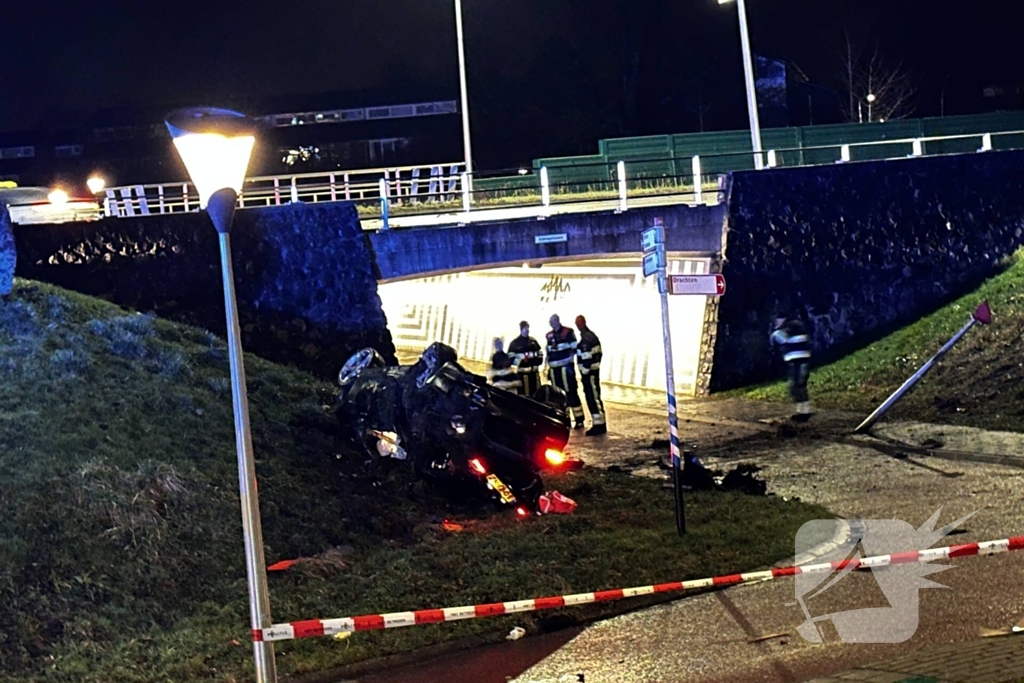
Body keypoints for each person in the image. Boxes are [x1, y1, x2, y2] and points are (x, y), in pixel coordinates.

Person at [770, 312, 814, 420]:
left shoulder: (791, 326)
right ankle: (802, 411)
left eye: (777, 319)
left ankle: (804, 412)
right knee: (796, 385)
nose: (776, 322)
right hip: (797, 361)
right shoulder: (794, 325)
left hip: (799, 360)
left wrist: (775, 333)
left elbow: (783, 339)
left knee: (798, 385)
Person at [545, 314, 585, 429]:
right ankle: (564, 418)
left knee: (571, 393)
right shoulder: (549, 335)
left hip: (566, 369)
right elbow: (548, 353)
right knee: (558, 395)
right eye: (550, 322)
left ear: (558, 321)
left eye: (553, 321)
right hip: (554, 371)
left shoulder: (568, 332)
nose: (552, 324)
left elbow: (575, 349)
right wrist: (546, 368)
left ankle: (579, 419)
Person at [574, 315, 607, 435]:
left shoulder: (585, 340)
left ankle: (598, 425)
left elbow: (586, 358)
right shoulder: (592, 336)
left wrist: (584, 371)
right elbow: (599, 354)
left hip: (589, 374)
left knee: (592, 398)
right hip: (594, 371)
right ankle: (600, 422)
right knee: (596, 396)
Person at [507, 320, 543, 397]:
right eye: (525, 328)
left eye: (527, 327)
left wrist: (536, 362)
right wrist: (521, 360)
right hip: (523, 375)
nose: (527, 330)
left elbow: (540, 355)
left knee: (536, 395)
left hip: (534, 374)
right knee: (524, 396)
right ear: (521, 329)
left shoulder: (533, 341)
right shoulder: (515, 343)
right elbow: (510, 359)